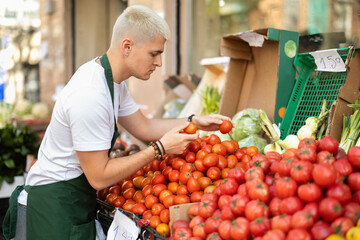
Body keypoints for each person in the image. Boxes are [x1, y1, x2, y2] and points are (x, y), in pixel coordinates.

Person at [3, 5, 231, 240]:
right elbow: (99, 177)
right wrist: (160, 149)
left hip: (72, 198)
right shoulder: (90, 94)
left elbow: (144, 127)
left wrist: (195, 121)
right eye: (154, 53)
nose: (160, 62)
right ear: (127, 47)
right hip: (54, 206)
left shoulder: (113, 83)